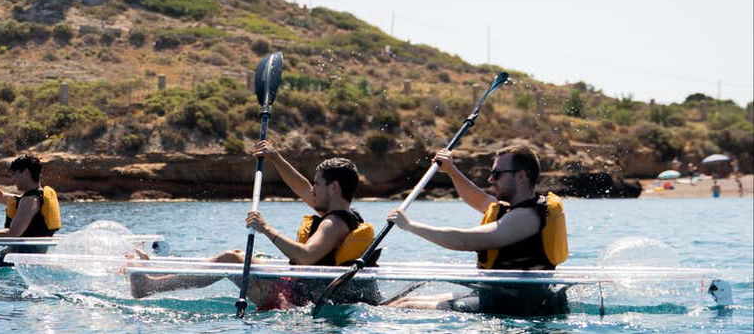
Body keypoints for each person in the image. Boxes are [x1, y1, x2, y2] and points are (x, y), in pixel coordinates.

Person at [129, 140, 379, 310]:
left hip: (294, 298)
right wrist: (275, 158)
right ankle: (155, 279)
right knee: (239, 255)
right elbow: (302, 187)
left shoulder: (334, 223)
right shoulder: (342, 214)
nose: (312, 189)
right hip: (298, 289)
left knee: (231, 259)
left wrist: (265, 228)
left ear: (333, 188)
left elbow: (306, 256)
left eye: (318, 184)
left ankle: (150, 286)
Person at [385, 145, 569, 315]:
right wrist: (450, 170)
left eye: (497, 174)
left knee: (405, 307)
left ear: (521, 176)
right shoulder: (511, 208)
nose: (490, 179)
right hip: (495, 294)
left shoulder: (526, 217)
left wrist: (410, 225)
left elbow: (465, 241)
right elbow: (478, 199)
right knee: (403, 301)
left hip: (518, 305)